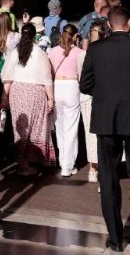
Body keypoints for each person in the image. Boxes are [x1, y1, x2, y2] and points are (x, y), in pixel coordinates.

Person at [79, 7, 130, 254]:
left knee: (108, 176)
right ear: (127, 24)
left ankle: (115, 238)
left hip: (106, 119)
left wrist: (106, 96)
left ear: (110, 25)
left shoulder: (96, 49)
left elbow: (85, 84)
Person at [2, 23, 55, 176]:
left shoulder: (14, 52)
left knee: (20, 128)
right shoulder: (40, 53)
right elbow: (47, 78)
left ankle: (22, 164)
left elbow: (7, 77)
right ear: (34, 36)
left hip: (17, 92)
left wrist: (4, 97)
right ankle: (30, 162)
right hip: (36, 93)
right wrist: (50, 98)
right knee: (35, 128)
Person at [49, 24, 84, 177]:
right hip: (72, 86)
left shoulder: (53, 51)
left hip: (57, 85)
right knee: (71, 128)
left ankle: (63, 161)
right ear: (75, 36)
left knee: (60, 126)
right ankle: (68, 165)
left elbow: (49, 72)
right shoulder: (80, 52)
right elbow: (82, 76)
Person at [79, 20, 107, 185]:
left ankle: (93, 169)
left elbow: (81, 79)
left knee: (90, 134)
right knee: (105, 133)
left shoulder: (83, 54)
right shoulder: (108, 52)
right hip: (104, 96)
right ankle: (104, 168)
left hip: (88, 97)